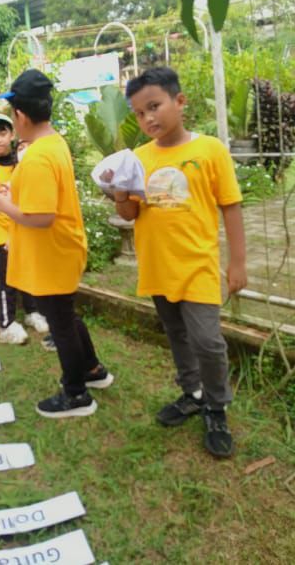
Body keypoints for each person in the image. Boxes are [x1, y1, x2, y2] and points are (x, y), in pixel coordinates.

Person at [109, 66, 245, 457]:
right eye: (138, 113)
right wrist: (119, 194)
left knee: (208, 341)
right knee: (177, 336)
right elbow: (132, 214)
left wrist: (238, 263)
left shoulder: (210, 150)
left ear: (179, 101)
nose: (148, 118)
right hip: (156, 266)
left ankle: (216, 406)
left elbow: (231, 206)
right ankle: (193, 393)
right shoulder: (136, 157)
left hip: (198, 265)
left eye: (154, 106)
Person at [0, 69, 113, 418]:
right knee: (66, 316)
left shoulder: (39, 156)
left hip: (52, 251)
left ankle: (75, 394)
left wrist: (5, 206)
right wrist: (17, 194)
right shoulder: (53, 143)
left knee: (60, 322)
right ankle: (92, 370)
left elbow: (41, 216)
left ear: (20, 115)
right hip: (62, 248)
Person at [0, 113, 51, 345]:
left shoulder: (23, 164)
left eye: (2, 133)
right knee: (5, 281)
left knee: (28, 273)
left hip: (24, 229)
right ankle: (6, 324)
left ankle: (32, 312)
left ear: (12, 134)